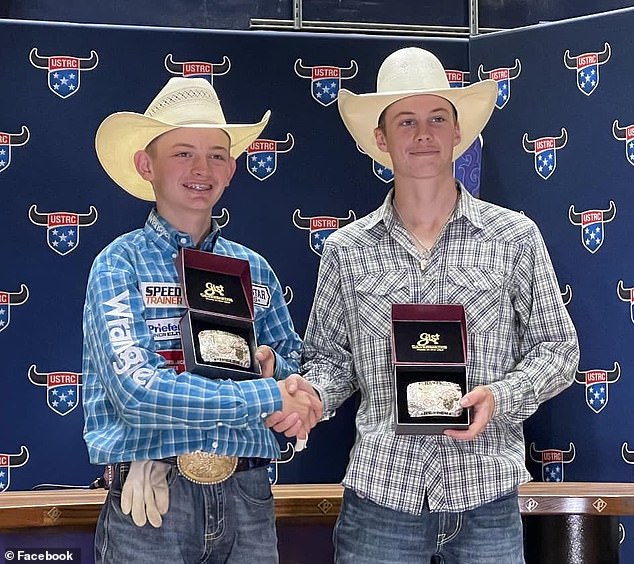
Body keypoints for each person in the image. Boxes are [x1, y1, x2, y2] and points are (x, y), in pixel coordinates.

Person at [268, 47, 579, 563]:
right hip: (381, 493)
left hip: (486, 491)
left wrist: (500, 396)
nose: (423, 134)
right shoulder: (347, 250)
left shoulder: (513, 237)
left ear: (459, 132)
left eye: (437, 118)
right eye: (406, 121)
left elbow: (559, 349)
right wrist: (312, 399)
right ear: (381, 139)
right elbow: (330, 360)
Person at [82, 77, 321, 563]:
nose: (201, 168)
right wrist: (266, 393)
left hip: (248, 494)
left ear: (232, 169)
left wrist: (290, 385)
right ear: (145, 165)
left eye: (216, 154)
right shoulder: (118, 263)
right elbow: (136, 391)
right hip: (154, 495)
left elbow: (297, 366)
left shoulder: (254, 268)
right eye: (182, 153)